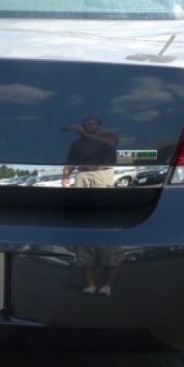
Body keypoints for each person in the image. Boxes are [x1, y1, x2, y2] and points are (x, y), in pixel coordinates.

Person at [62, 117, 122, 295]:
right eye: (86, 124)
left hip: (102, 174)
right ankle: (90, 284)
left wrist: (84, 134)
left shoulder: (109, 136)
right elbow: (70, 162)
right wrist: (65, 177)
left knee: (104, 217)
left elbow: (110, 144)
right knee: (83, 219)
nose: (88, 126)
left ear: (99, 126)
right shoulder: (77, 144)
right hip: (82, 175)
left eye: (92, 123)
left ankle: (107, 285)